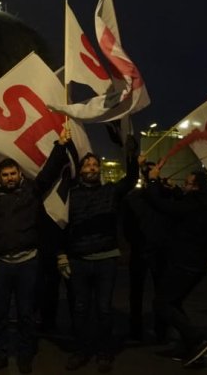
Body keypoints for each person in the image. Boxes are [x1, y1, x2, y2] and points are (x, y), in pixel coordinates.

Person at [0, 134, 71, 374]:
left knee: (26, 314)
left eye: (13, 174)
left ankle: (25, 355)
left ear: (20, 174)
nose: (10, 178)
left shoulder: (31, 191)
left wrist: (60, 146)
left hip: (28, 264)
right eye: (5, 174)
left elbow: (49, 172)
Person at [59, 136, 140, 372]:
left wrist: (133, 158)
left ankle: (104, 352)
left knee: (104, 308)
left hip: (106, 258)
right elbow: (64, 226)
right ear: (81, 170)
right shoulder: (71, 194)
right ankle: (81, 350)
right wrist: (62, 254)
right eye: (87, 165)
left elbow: (131, 180)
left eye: (95, 165)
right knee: (81, 308)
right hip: (79, 259)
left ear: (100, 169)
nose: (92, 168)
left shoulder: (111, 191)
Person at [145, 166, 207, 367]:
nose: (183, 185)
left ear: (195, 187)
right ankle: (192, 348)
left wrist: (151, 182)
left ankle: (196, 339)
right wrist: (173, 189)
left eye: (187, 183)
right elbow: (188, 202)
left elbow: (161, 205)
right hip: (199, 262)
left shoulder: (194, 205)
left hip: (183, 261)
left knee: (162, 303)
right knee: (174, 302)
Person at [121, 161, 170, 343]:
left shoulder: (135, 197)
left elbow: (127, 225)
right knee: (154, 292)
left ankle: (138, 330)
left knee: (139, 293)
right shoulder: (161, 194)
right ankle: (159, 331)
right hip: (151, 249)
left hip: (145, 249)